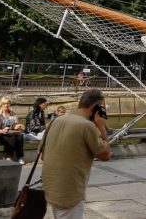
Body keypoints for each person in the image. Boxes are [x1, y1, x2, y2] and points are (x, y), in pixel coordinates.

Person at [42, 89, 111, 219]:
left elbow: (43, 154)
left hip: (51, 187)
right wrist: (101, 127)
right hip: (70, 192)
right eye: (100, 108)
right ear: (95, 107)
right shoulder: (86, 126)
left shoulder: (56, 121)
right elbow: (105, 155)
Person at [0, 96, 25, 163]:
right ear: (1, 105)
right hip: (0, 133)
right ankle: (8, 156)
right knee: (11, 138)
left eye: (8, 103)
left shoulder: (13, 113)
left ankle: (19, 157)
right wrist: (1, 130)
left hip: (10, 132)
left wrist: (17, 126)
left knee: (20, 136)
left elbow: (14, 125)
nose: (6, 105)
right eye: (4, 104)